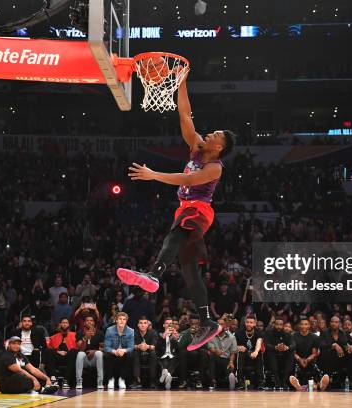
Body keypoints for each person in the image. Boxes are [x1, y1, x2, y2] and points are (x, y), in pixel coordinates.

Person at [116, 71, 237, 351]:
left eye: (215, 134)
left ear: (219, 147)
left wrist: (152, 174)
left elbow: (187, 180)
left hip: (198, 211)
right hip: (186, 209)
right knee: (189, 269)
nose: (209, 133)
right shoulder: (197, 148)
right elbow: (185, 115)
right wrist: (181, 80)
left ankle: (154, 275)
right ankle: (208, 321)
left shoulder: (215, 167)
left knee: (174, 235)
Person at [318, 316, 352, 390]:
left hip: (341, 358)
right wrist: (334, 345)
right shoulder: (324, 333)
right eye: (332, 322)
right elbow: (321, 345)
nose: (334, 324)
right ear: (330, 323)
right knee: (325, 352)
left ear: (339, 324)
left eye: (336, 322)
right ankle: (327, 379)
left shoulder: (344, 333)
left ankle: (350, 381)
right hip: (328, 359)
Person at [289, 318, 329, 391]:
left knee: (315, 367)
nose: (304, 326)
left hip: (310, 360)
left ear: (309, 326)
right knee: (294, 366)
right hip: (297, 360)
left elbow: (314, 353)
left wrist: (307, 360)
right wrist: (300, 359)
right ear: (299, 326)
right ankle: (298, 385)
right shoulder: (293, 336)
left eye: (306, 324)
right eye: (302, 324)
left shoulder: (314, 337)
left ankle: (320, 384)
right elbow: (293, 352)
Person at [44, 318, 79, 389]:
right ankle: (54, 379)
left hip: (69, 357)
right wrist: (58, 352)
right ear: (60, 324)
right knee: (48, 351)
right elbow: (48, 348)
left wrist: (67, 353)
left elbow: (78, 347)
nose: (65, 324)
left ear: (69, 325)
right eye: (63, 322)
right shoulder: (53, 337)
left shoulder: (75, 335)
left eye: (66, 322)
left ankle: (66, 380)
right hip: (57, 357)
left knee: (73, 351)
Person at [103, 312, 134, 389]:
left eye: (124, 319)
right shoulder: (109, 330)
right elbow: (106, 347)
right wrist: (114, 351)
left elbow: (131, 347)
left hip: (124, 354)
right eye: (120, 319)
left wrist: (124, 351)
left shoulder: (131, 331)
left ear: (126, 321)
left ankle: (122, 379)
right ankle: (110, 379)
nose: (122, 321)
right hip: (113, 353)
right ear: (116, 320)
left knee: (130, 355)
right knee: (106, 355)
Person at [177, 315, 208, 389]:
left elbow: (205, 346)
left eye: (196, 324)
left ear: (199, 324)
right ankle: (183, 381)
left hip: (199, 357)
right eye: (192, 324)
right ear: (189, 324)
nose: (194, 326)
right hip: (187, 357)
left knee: (203, 352)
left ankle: (199, 381)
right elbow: (179, 346)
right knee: (182, 352)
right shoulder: (184, 333)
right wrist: (189, 334)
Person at [235, 314, 265, 390]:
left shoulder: (258, 332)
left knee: (259, 354)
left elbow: (259, 342)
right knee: (240, 353)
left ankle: (261, 382)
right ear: (245, 323)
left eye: (251, 322)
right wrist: (239, 347)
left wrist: (256, 352)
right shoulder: (239, 333)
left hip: (254, 353)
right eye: (247, 322)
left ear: (255, 323)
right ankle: (240, 381)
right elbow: (234, 346)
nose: (249, 324)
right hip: (244, 353)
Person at [264, 317, 295, 390]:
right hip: (272, 356)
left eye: (281, 325)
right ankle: (277, 382)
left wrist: (286, 347)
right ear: (274, 324)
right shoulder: (268, 333)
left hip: (284, 356)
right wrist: (275, 347)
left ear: (283, 325)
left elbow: (293, 345)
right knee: (270, 353)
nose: (279, 327)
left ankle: (284, 382)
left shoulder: (287, 334)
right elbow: (266, 345)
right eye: (277, 324)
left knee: (291, 354)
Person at [207, 317, 238, 390]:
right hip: (215, 358)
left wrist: (231, 362)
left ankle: (231, 381)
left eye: (222, 324)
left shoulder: (232, 337)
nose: (219, 326)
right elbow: (210, 348)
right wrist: (215, 351)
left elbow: (233, 352)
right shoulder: (211, 335)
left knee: (229, 370)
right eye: (218, 324)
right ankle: (213, 381)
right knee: (212, 357)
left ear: (225, 326)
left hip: (226, 359)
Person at [75, 315, 104, 389]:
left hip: (95, 359)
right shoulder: (79, 333)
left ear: (94, 323)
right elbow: (80, 348)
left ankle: (100, 382)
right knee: (80, 354)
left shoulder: (99, 333)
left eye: (91, 320)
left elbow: (103, 348)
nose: (89, 322)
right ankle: (79, 381)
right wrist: (85, 337)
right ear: (84, 323)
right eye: (87, 320)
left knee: (99, 353)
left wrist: (95, 351)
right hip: (84, 359)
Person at [130, 317, 158, 389]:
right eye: (141, 323)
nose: (143, 325)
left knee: (153, 353)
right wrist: (139, 346)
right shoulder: (134, 333)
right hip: (138, 354)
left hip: (149, 355)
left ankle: (152, 380)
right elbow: (131, 346)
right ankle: (137, 380)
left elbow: (154, 346)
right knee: (135, 352)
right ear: (138, 325)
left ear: (147, 325)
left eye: (145, 323)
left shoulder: (153, 332)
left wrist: (147, 346)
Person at [157, 317, 180, 390]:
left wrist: (176, 339)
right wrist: (164, 336)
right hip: (162, 355)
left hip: (172, 356)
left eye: (171, 324)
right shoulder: (159, 334)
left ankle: (165, 376)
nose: (169, 325)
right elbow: (157, 347)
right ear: (164, 325)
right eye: (167, 323)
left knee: (172, 360)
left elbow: (179, 348)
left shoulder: (175, 334)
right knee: (164, 361)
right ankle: (168, 378)